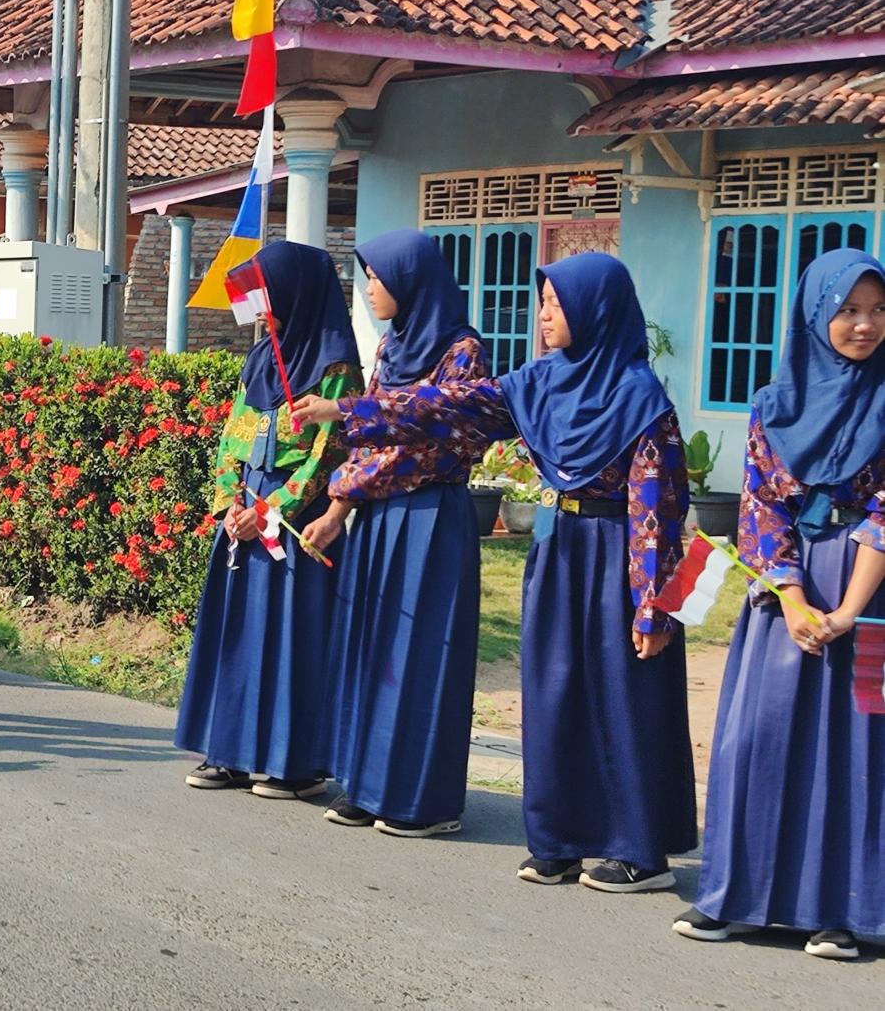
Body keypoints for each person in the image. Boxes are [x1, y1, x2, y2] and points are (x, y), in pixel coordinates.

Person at [294, 251, 695, 892]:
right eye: (542, 302)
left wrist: (654, 603)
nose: (543, 316)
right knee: (553, 692)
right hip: (557, 546)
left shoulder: (640, 400)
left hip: (617, 557)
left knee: (622, 696)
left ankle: (639, 851)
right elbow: (449, 406)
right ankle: (558, 840)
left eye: (557, 304)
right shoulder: (538, 384)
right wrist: (348, 414)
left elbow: (660, 511)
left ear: (596, 311)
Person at [673, 249, 885, 959]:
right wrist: (794, 600)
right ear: (814, 313)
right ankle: (736, 895)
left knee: (860, 752)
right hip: (782, 595)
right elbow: (761, 508)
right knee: (758, 737)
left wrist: (850, 607)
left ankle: (846, 913)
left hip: (870, 592)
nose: (865, 325)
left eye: (878, 310)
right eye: (849, 309)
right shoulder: (773, 404)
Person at [312, 229, 489, 838]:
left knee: (421, 658)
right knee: (373, 650)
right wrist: (337, 510)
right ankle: (366, 782)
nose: (369, 289)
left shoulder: (464, 352)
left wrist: (348, 416)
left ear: (411, 282)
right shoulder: (391, 348)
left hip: (431, 519)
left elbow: (433, 443)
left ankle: (421, 800)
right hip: (379, 521)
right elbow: (369, 441)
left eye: (377, 278)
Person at [175, 241, 362, 800]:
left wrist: (271, 512)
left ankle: (294, 763)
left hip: (297, 528)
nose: (261, 308)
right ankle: (230, 752)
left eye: (268, 293)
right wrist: (232, 505)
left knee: (292, 643)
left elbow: (331, 453)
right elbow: (232, 439)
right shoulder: (260, 359)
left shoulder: (336, 370)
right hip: (243, 525)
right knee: (237, 639)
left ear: (297, 292)